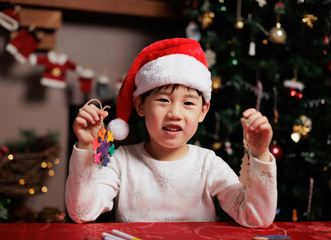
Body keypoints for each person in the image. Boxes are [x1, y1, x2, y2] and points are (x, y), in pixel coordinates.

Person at [65, 38, 277, 228]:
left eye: (188, 103)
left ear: (203, 111)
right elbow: (82, 213)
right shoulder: (119, 161)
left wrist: (259, 154)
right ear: (140, 105)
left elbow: (256, 218)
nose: (175, 113)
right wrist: (86, 146)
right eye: (163, 100)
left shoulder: (208, 164)